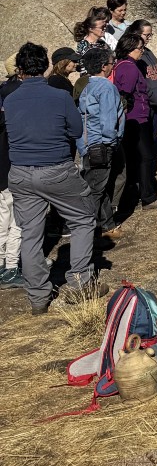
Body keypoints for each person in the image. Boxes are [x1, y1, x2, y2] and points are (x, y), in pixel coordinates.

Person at [4, 43, 107, 314]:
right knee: (83, 219)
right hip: (56, 168)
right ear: (46, 66)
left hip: (21, 172)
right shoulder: (59, 96)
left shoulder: (10, 100)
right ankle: (81, 283)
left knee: (30, 233)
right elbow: (76, 130)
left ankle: (38, 297)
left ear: (20, 69)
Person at [113, 32, 157, 212]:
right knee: (146, 157)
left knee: (134, 158)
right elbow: (125, 94)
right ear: (130, 48)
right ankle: (148, 197)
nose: (142, 51)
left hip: (133, 118)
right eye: (140, 48)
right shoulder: (129, 68)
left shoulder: (121, 65)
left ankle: (134, 193)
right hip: (136, 119)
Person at [77, 48, 124, 243]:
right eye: (112, 63)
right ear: (104, 66)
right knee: (95, 190)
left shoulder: (86, 86)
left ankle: (107, 225)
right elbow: (108, 119)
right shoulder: (106, 87)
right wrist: (110, 142)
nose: (113, 66)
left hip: (88, 144)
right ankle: (89, 233)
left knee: (99, 186)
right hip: (101, 145)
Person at [0, 64, 24, 289]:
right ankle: (11, 267)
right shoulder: (7, 117)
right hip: (9, 174)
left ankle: (2, 265)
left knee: (2, 221)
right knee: (17, 222)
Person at [127, 19, 157, 138]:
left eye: (150, 35)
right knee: (146, 138)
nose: (149, 38)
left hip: (156, 102)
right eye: (146, 35)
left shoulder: (148, 52)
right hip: (146, 103)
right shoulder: (135, 55)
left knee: (153, 135)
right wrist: (150, 95)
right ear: (136, 33)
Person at [73, 7, 111, 73]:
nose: (104, 29)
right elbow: (81, 66)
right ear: (91, 29)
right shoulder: (83, 45)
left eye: (105, 26)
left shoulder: (102, 43)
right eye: (102, 27)